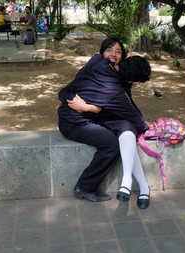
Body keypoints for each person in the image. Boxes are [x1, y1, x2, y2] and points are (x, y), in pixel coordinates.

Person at [58, 37, 151, 208]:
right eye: (109, 50)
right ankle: (84, 187)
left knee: (126, 129)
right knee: (111, 145)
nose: (113, 55)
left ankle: (135, 185)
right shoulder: (114, 89)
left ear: (124, 57)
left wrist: (93, 108)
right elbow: (132, 114)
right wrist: (146, 127)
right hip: (73, 122)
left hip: (93, 117)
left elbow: (127, 104)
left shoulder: (97, 61)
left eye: (118, 51)